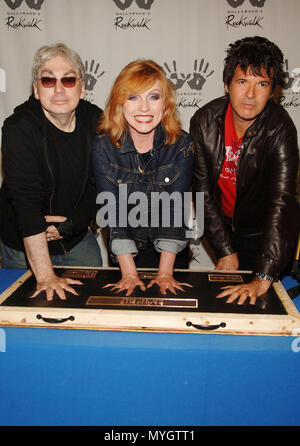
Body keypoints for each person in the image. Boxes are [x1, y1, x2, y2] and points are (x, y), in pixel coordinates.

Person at [190, 36, 299, 305]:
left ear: (273, 90)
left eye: (261, 84)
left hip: (267, 235)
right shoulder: (203, 122)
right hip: (224, 230)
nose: (250, 95)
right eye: (242, 82)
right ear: (227, 85)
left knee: (266, 304)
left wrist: (263, 276)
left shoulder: (280, 129)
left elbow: (282, 203)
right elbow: (202, 193)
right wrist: (225, 250)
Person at [0, 43, 103, 301]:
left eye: (68, 79)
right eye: (48, 80)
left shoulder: (98, 121)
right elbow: (25, 203)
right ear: (36, 89)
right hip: (23, 242)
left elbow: (102, 184)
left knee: (92, 303)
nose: (58, 89)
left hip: (76, 236)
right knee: (29, 307)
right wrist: (45, 276)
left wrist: (72, 225)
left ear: (83, 88)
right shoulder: (18, 128)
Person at [92, 59, 194, 296]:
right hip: (125, 252)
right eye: (133, 97)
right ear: (120, 103)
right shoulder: (103, 145)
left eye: (153, 97)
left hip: (170, 254)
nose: (144, 108)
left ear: (166, 104)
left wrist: (165, 273)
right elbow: (113, 212)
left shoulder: (182, 144)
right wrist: (128, 273)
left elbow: (175, 210)